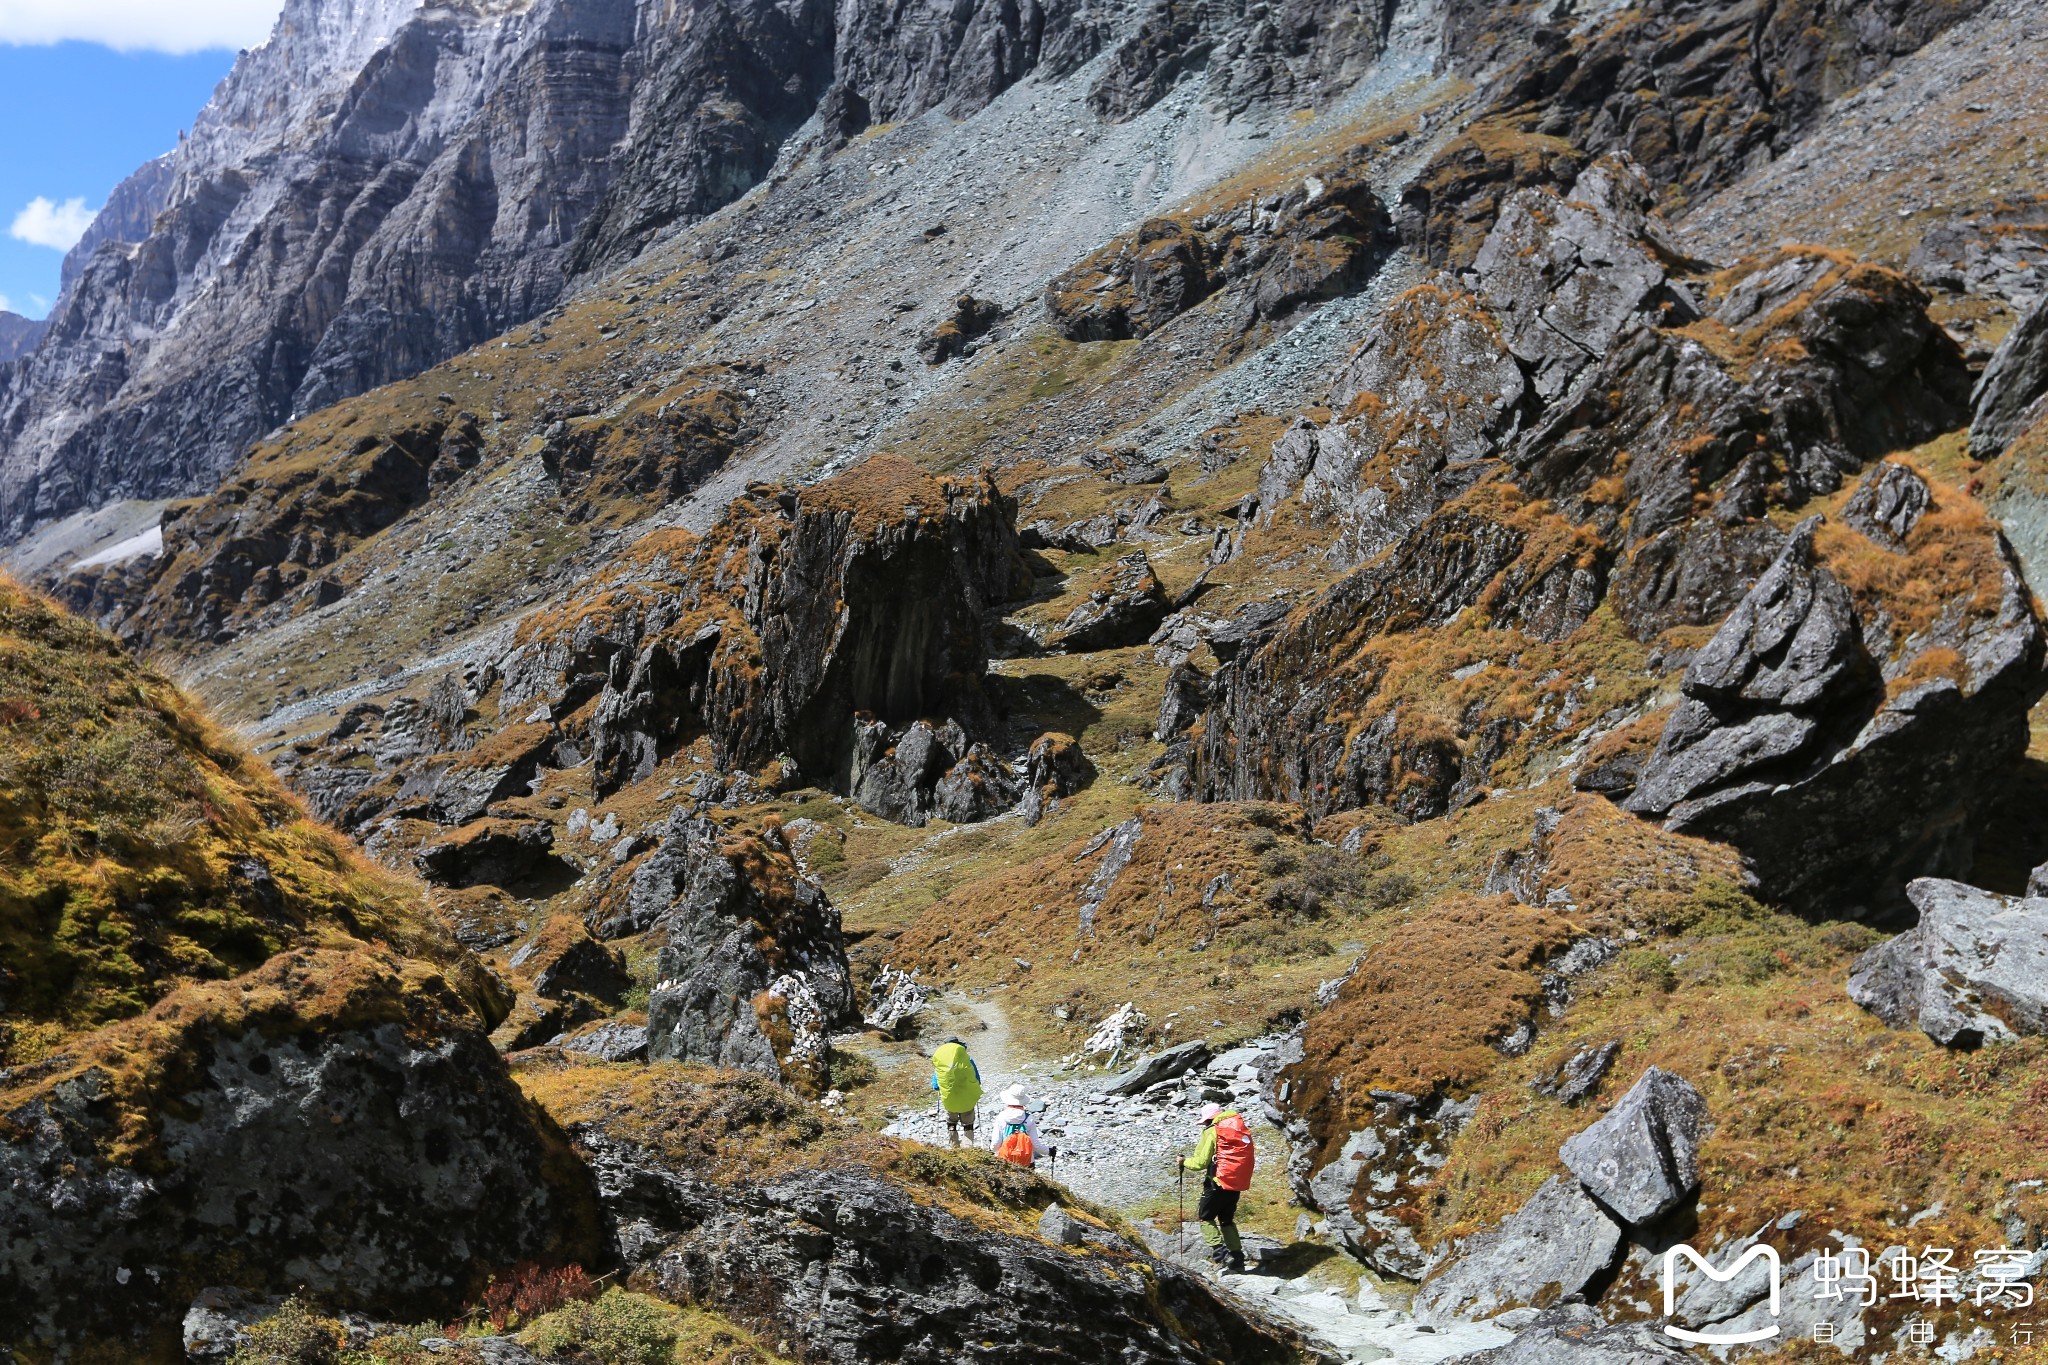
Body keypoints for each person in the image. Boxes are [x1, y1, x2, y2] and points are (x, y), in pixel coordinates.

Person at [1179, 1101, 1254, 1272]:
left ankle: (1221, 1254)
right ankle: (1238, 1259)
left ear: (1209, 1119)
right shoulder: (1237, 1127)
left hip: (1216, 1182)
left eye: (1205, 1121)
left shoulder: (1213, 1130)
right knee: (1226, 1220)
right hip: (1235, 1183)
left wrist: (1184, 1161)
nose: (1204, 1124)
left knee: (1205, 1217)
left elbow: (1200, 1162)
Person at [930, 1038, 983, 1147]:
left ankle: (954, 1145)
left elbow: (935, 1086)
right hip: (967, 1099)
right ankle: (967, 1147)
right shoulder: (968, 1059)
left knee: (951, 1122)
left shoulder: (941, 1063)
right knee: (968, 1123)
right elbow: (977, 1079)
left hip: (950, 1100)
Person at [990, 1085, 1043, 1166]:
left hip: (1005, 1160)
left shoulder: (1001, 1117)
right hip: (1026, 1160)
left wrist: (991, 1150)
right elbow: (1035, 1144)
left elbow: (996, 1143)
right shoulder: (1029, 1118)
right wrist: (1049, 1151)